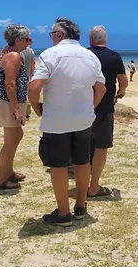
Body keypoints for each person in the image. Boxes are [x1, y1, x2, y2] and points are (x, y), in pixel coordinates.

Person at [28, 17, 106, 226]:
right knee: (83, 162)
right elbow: (101, 89)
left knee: (58, 165)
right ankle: (80, 206)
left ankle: (63, 214)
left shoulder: (50, 55)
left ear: (60, 35)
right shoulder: (90, 56)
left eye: (52, 34)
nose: (51, 38)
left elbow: (34, 88)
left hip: (57, 121)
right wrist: (90, 107)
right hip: (83, 120)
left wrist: (36, 107)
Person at [88, 26, 128, 197]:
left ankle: (83, 184)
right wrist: (121, 92)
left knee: (82, 145)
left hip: (83, 106)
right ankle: (93, 186)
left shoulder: (84, 54)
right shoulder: (114, 56)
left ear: (91, 40)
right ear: (105, 39)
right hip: (104, 108)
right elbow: (123, 81)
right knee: (101, 147)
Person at [0, 24, 32, 190]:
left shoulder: (8, 53)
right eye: (27, 39)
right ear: (18, 40)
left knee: (16, 135)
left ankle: (8, 171)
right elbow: (10, 84)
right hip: (8, 103)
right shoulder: (14, 56)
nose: (30, 42)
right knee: (11, 140)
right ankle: (1, 180)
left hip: (7, 102)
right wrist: (16, 109)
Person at [21, 45, 35, 119]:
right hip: (27, 75)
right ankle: (26, 111)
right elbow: (32, 65)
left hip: (20, 75)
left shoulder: (20, 51)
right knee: (25, 94)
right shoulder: (31, 51)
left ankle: (23, 111)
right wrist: (32, 75)